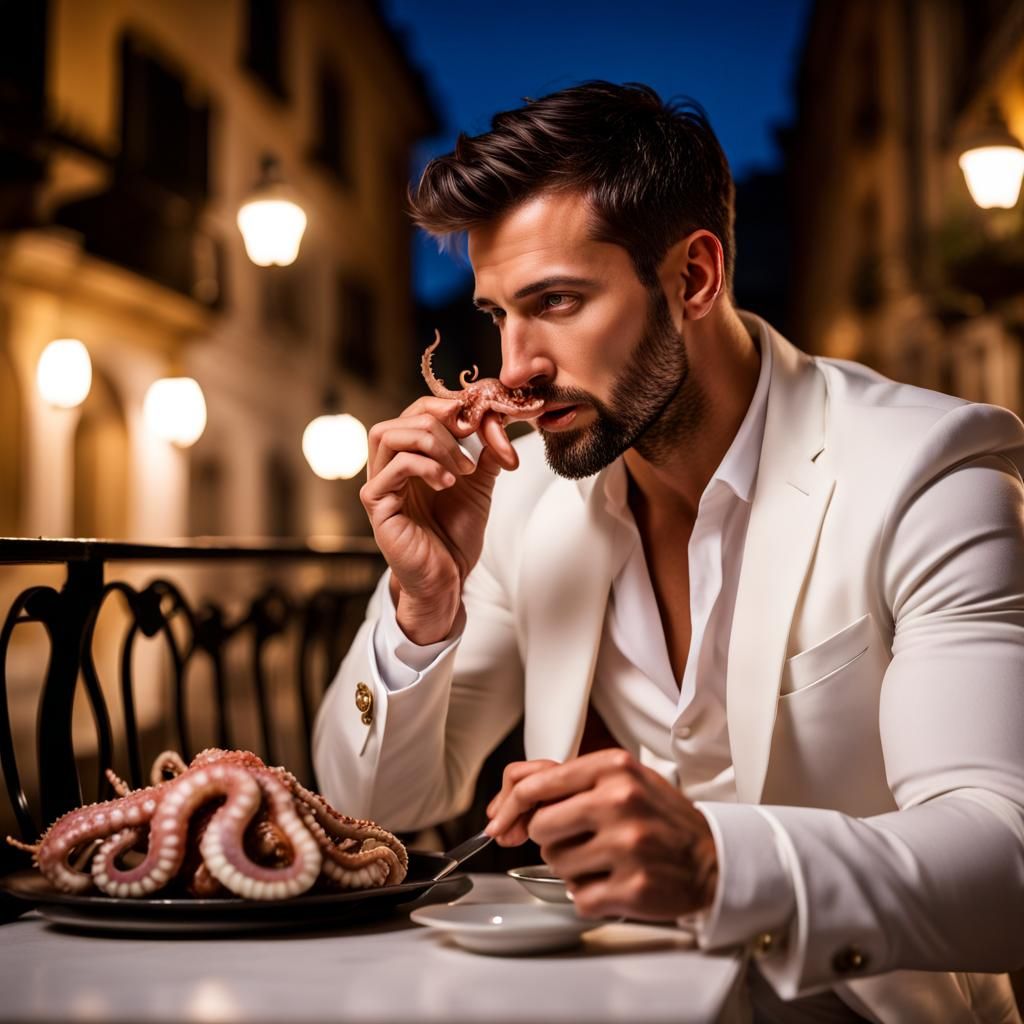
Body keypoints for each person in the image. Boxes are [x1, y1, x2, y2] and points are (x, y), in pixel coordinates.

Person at [313, 82, 1024, 1022]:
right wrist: (421, 608)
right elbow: (381, 803)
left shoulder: (928, 473)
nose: (516, 367)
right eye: (496, 317)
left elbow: (1005, 859)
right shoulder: (519, 499)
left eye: (557, 302)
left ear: (694, 277)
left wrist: (714, 859)